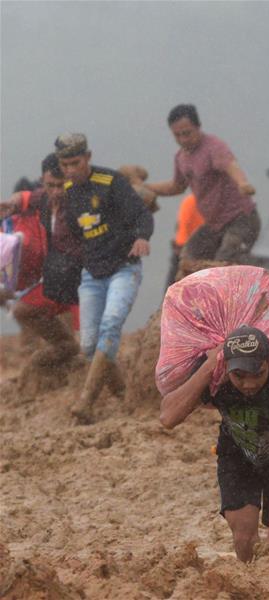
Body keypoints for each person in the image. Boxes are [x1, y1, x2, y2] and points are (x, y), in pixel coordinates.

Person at [159, 326, 269, 562]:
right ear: (226, 367)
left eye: (258, 374)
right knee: (243, 537)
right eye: (239, 376)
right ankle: (252, 580)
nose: (249, 384)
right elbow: (168, 418)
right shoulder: (214, 375)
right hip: (237, 453)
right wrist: (208, 367)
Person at [55, 133, 154, 422]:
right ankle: (124, 395)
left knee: (110, 326)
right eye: (65, 165)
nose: (71, 170)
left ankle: (85, 401)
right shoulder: (68, 192)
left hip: (124, 268)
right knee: (88, 344)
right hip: (92, 275)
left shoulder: (111, 182)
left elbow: (142, 215)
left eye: (75, 163)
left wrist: (141, 237)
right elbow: (75, 233)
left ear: (87, 157)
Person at [146, 104, 259, 263]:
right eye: (177, 135)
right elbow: (176, 187)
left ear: (198, 127)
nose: (183, 140)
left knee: (224, 262)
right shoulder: (180, 158)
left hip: (241, 220)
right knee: (188, 260)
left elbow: (230, 164)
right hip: (214, 224)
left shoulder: (213, 147)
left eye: (187, 133)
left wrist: (242, 183)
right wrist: (145, 187)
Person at [0, 153, 82, 366]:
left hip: (71, 276)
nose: (56, 191)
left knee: (86, 337)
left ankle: (71, 350)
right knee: (23, 309)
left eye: (60, 186)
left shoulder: (73, 205)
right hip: (37, 280)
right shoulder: (29, 209)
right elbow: (22, 198)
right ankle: (59, 347)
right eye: (50, 186)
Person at [165, 194, 205, 287]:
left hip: (183, 250)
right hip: (192, 252)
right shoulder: (193, 202)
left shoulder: (190, 201)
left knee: (174, 288)